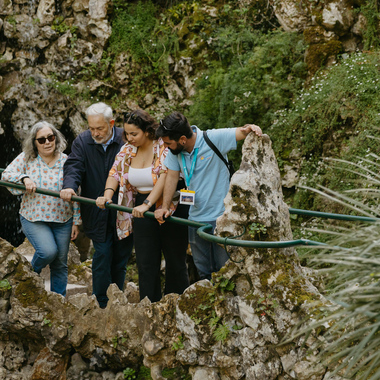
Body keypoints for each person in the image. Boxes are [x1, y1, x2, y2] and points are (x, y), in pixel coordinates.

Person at [94, 110, 190, 302]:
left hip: (170, 204)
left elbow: (165, 175)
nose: (129, 138)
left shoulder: (162, 145)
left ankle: (176, 303)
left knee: (175, 259)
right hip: (140, 207)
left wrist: (148, 204)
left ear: (147, 131)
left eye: (134, 134)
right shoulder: (127, 149)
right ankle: (150, 305)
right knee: (146, 262)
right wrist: (106, 195)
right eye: (126, 134)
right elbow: (115, 173)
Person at [154, 112, 262, 281]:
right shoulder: (175, 153)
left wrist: (251, 128)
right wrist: (165, 207)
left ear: (182, 139)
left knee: (225, 270)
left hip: (222, 218)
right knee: (203, 270)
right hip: (195, 219)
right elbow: (171, 177)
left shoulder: (213, 138)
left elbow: (243, 132)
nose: (166, 147)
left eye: (168, 143)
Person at [60, 102, 129, 308]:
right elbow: (74, 166)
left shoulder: (126, 139)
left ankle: (117, 298)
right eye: (91, 128)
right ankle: (101, 301)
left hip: (122, 210)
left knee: (120, 258)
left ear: (112, 123)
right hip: (95, 209)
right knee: (103, 254)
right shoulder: (83, 141)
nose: (95, 133)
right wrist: (70, 187)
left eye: (100, 128)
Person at [2, 121, 80, 296]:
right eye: (42, 139)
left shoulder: (66, 161)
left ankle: (58, 300)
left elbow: (76, 192)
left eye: (50, 138)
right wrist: (24, 178)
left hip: (63, 219)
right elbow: (6, 175)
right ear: (34, 143)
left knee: (60, 263)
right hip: (34, 217)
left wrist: (76, 221)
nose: (47, 142)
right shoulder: (27, 158)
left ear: (56, 138)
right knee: (47, 252)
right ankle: (27, 275)